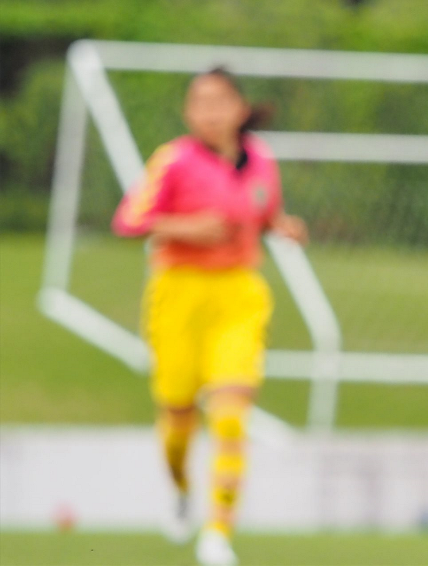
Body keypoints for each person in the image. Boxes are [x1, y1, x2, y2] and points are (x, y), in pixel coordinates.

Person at [112, 68, 306, 566]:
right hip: (179, 294)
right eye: (200, 102)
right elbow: (128, 219)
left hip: (239, 293)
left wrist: (283, 226)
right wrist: (187, 227)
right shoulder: (173, 160)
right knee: (178, 415)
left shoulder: (261, 160)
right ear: (187, 112)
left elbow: (264, 214)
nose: (211, 111)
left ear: (240, 108)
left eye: (220, 100)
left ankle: (217, 533)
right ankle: (180, 490)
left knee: (230, 413)